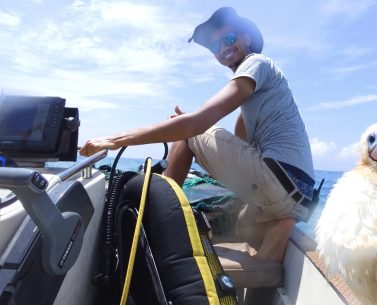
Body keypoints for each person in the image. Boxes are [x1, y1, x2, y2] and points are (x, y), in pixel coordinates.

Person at [80, 7, 315, 262]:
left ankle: (151, 223)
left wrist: (115, 140)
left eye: (227, 39)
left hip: (281, 181)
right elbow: (241, 144)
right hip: (298, 196)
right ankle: (276, 233)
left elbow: (198, 124)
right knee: (242, 223)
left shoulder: (255, 62)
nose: (222, 49)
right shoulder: (256, 97)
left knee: (190, 134)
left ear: (247, 38)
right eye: (215, 47)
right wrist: (190, 125)